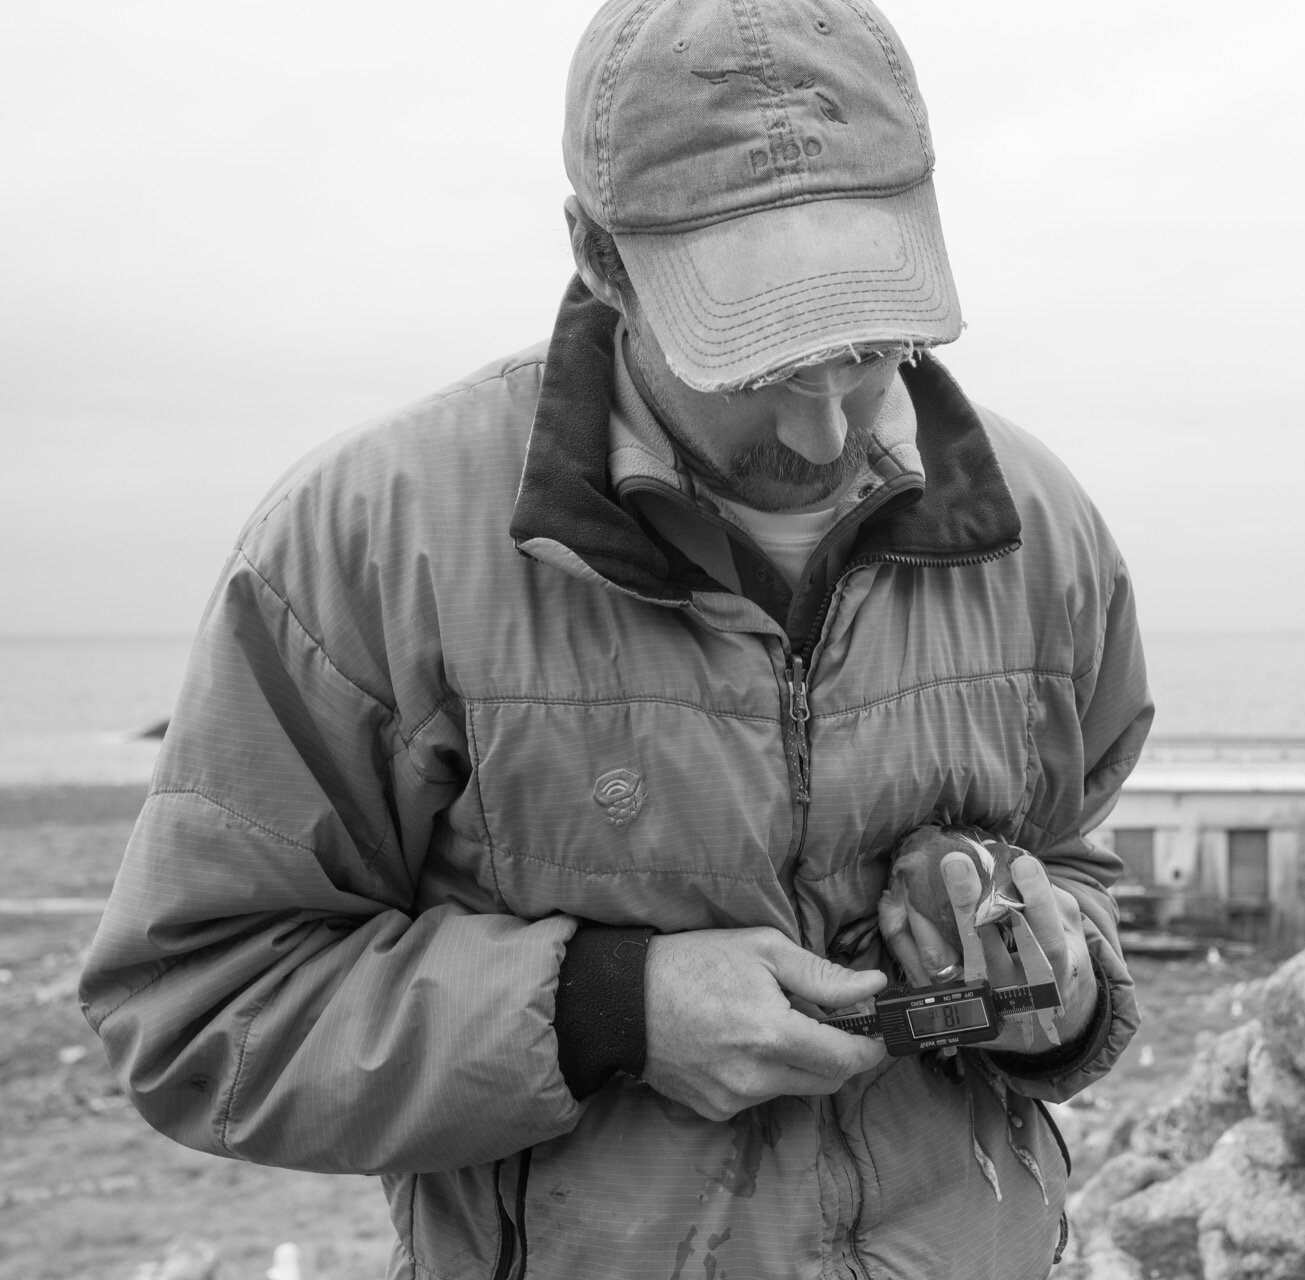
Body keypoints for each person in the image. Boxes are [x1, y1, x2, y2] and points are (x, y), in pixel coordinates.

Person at [80, 0, 1152, 1276]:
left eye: (868, 346)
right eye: (753, 361)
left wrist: (1056, 982)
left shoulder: (1043, 528)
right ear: (599, 255)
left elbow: (1078, 868)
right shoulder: (368, 543)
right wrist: (607, 1011)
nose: (823, 432)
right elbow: (196, 1010)